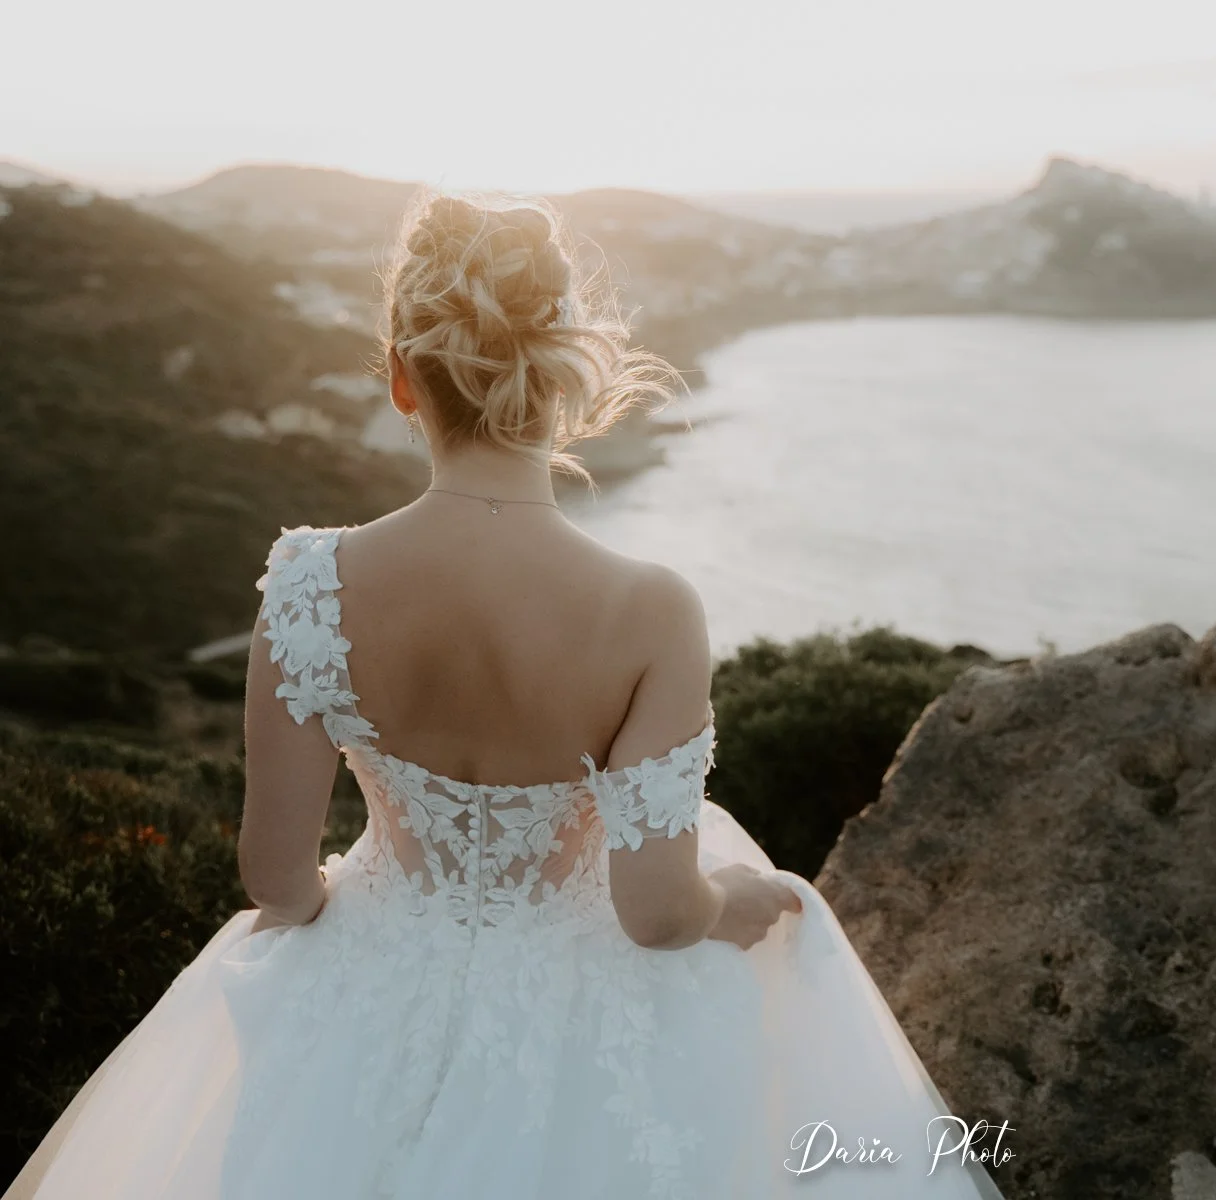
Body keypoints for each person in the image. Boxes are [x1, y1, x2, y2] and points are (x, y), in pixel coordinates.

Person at [5, 191, 1004, 1200]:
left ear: (402, 381)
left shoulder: (309, 583)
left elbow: (275, 877)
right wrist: (733, 899)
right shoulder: (653, 610)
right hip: (579, 1018)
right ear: (567, 379)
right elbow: (656, 913)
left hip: (361, 1002)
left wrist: (342, 908)